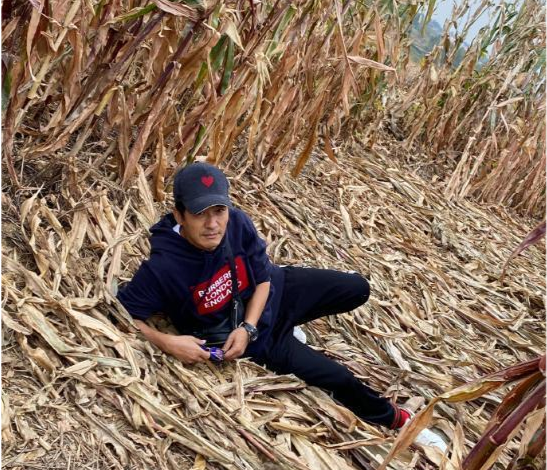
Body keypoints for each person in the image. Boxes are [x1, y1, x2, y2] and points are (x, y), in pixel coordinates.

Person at [117, 162, 447, 447]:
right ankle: (400, 422)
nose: (213, 224)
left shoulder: (237, 223)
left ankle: (292, 323)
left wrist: (249, 324)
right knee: (336, 377)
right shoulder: (163, 268)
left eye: (219, 211)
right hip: (259, 342)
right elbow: (123, 314)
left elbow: (263, 278)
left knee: (356, 288)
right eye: (200, 214)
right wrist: (168, 342)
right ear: (179, 215)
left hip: (272, 294)